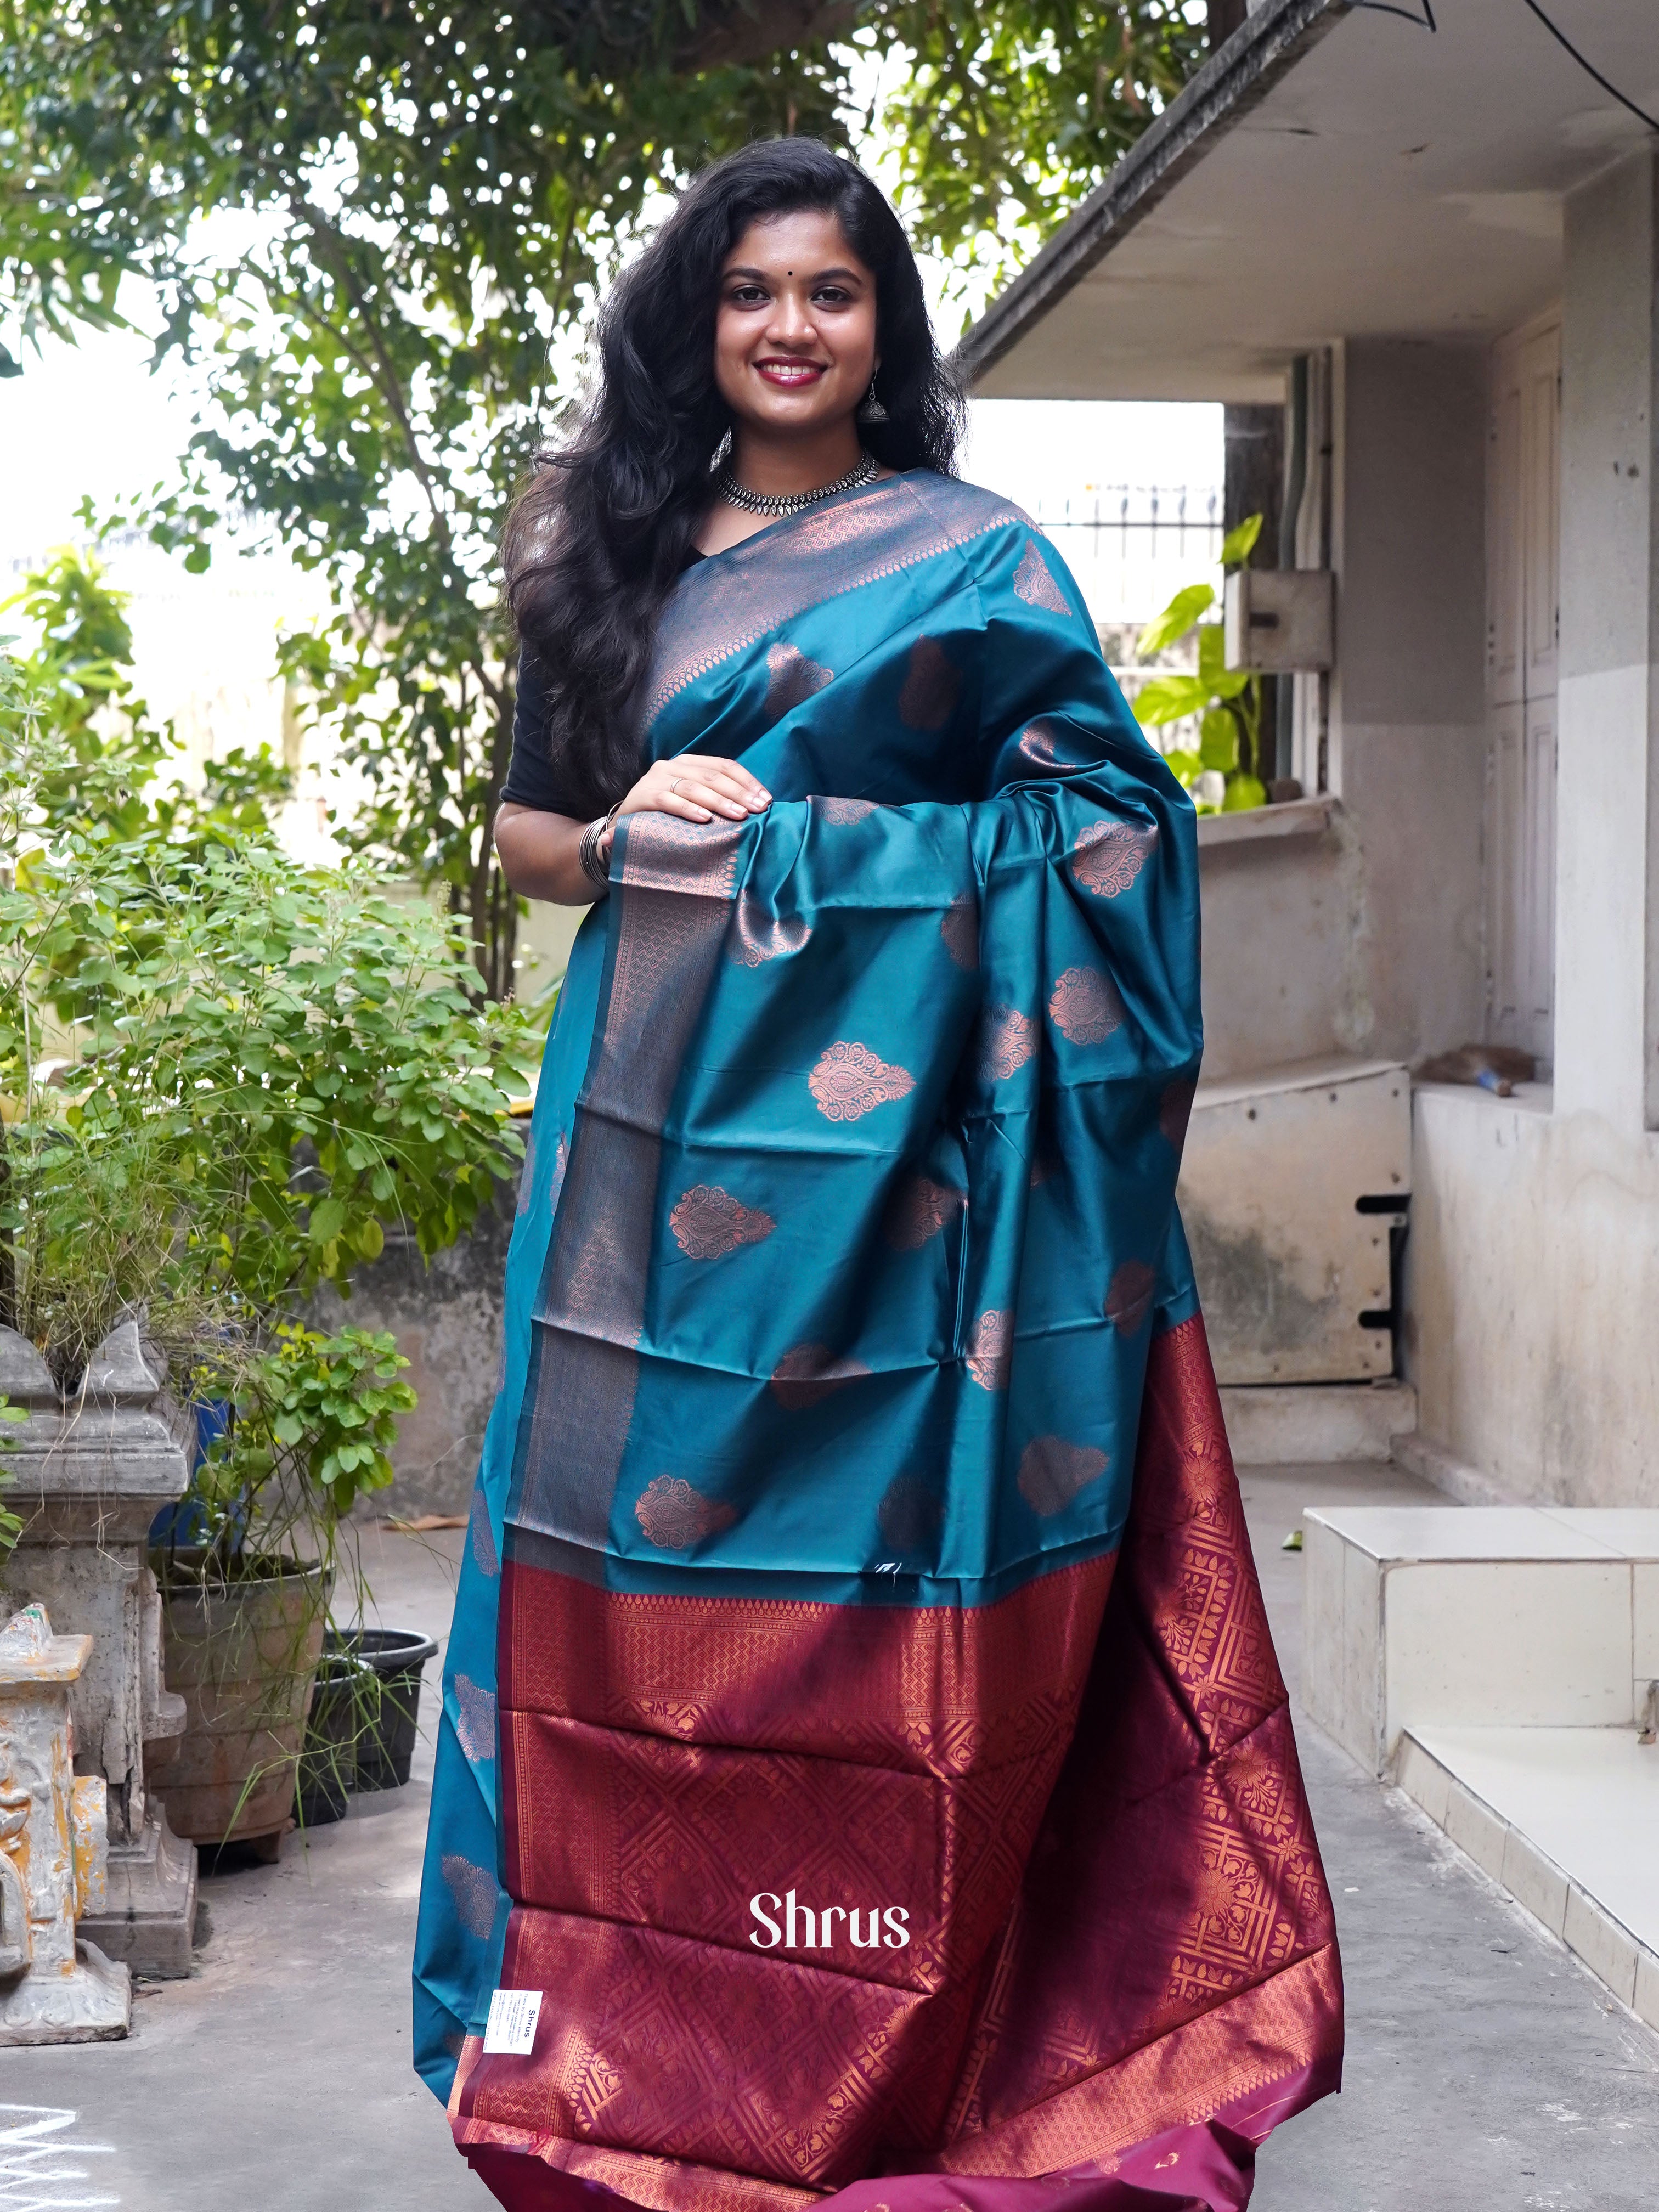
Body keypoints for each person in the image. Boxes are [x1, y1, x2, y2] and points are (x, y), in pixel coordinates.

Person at [414, 136, 1342, 2212]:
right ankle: (667, 2045)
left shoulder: (978, 557)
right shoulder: (606, 554)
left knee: (890, 1610)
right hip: (664, 1164)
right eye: (752, 290)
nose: (789, 328)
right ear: (700, 317)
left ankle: (928, 2044)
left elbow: (1111, 838)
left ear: (883, 329)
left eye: (831, 293)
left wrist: (821, 863)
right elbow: (530, 840)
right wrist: (641, 825)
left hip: (931, 1190)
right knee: (649, 1596)